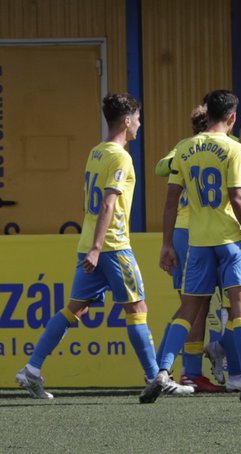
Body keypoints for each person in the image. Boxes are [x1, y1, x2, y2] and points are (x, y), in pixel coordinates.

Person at [16, 93, 160, 399]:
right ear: (126, 121)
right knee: (137, 309)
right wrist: (98, 247)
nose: (139, 124)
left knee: (73, 309)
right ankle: (154, 377)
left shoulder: (96, 152)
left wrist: (91, 247)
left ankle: (32, 369)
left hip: (90, 245)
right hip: (111, 245)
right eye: (137, 118)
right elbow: (108, 204)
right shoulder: (121, 156)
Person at [148, 89, 241, 403]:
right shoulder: (234, 148)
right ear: (232, 117)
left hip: (197, 242)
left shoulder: (183, 148)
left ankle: (163, 372)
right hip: (230, 241)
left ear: (206, 115)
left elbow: (169, 202)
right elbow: (238, 197)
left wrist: (167, 243)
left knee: (188, 310)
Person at [154, 104, 224, 393]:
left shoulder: (183, 149)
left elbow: (161, 166)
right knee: (195, 305)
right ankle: (175, 369)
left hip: (187, 230)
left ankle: (177, 369)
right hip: (203, 229)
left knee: (196, 303)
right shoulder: (225, 145)